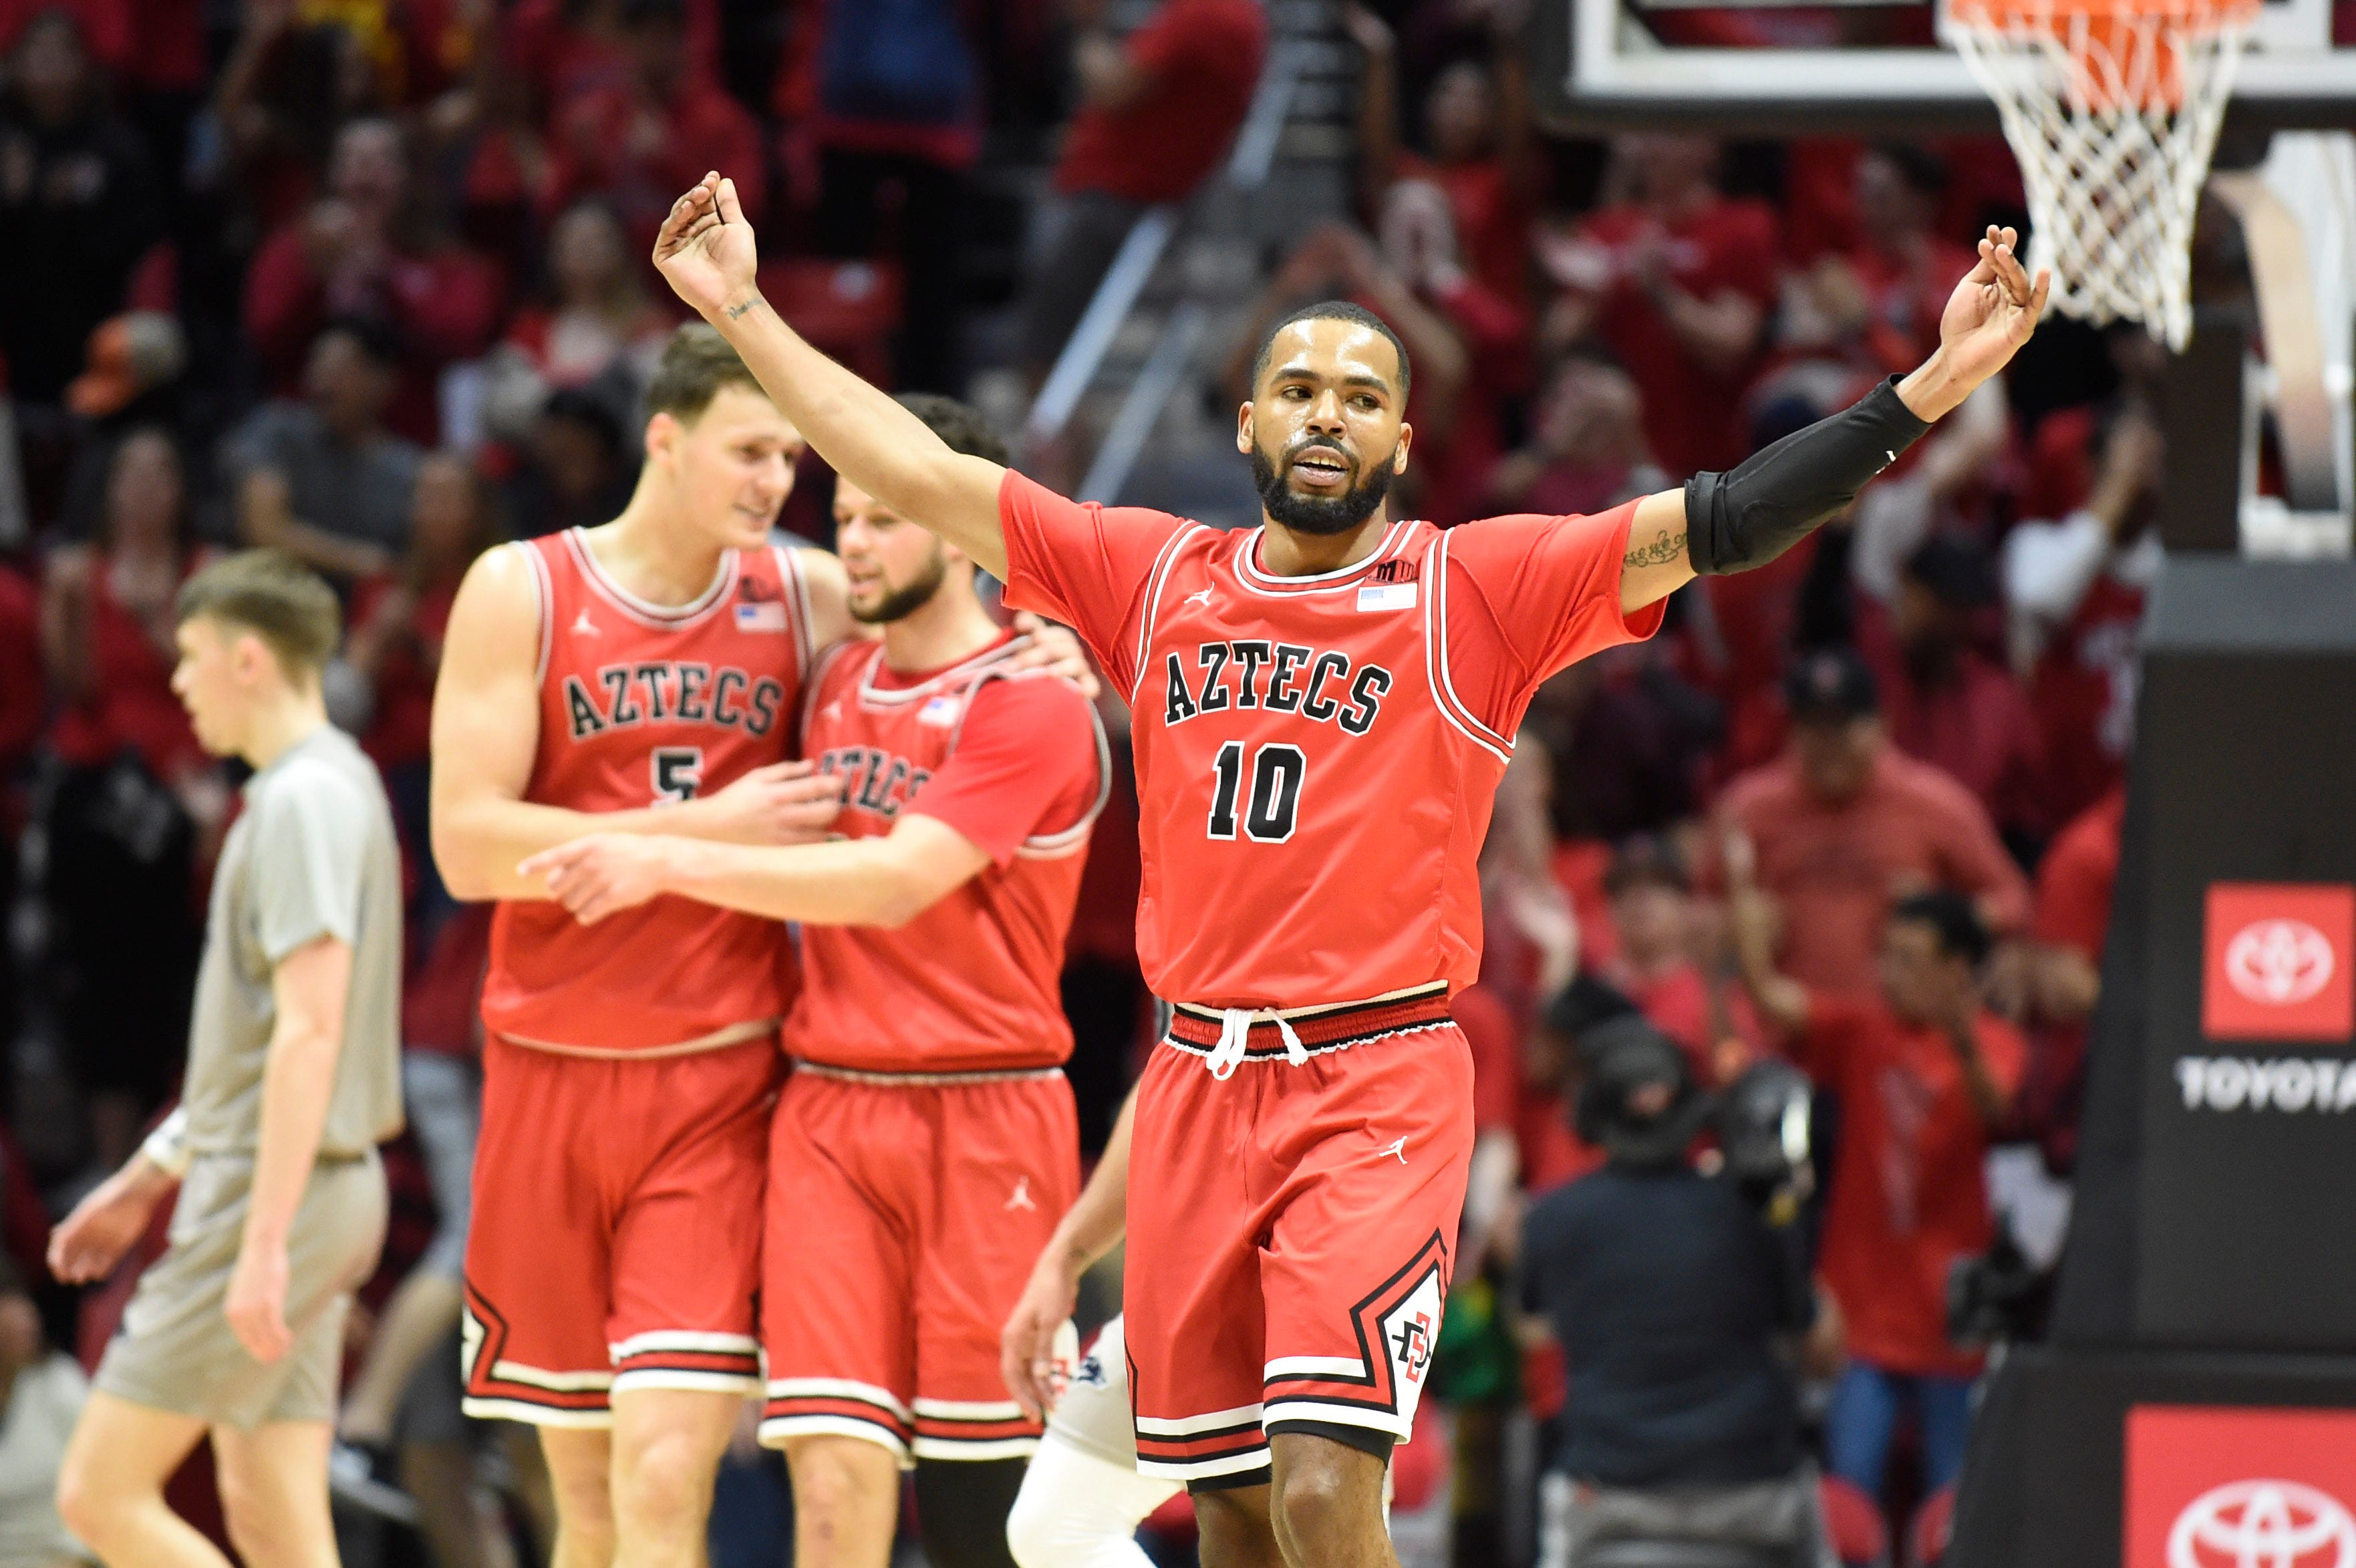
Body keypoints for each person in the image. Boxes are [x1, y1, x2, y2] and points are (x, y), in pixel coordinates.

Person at [653, 168, 2046, 1568]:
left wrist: (1919, 392)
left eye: (1361, 395)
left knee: (1325, 1493)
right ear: (1249, 419)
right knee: (1239, 1525)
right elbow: (916, 471)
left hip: (1373, 1083)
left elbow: (1725, 517)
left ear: (1399, 436)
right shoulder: (1149, 574)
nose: (1328, 411)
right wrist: (747, 311)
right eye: (1301, 387)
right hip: (1196, 1085)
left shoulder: (1476, 589)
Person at [431, 325, 1087, 1568]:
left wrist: (1070, 645)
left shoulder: (802, 591)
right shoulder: (522, 587)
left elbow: (964, 589)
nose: (777, 485)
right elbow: (467, 850)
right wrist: (692, 827)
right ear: (662, 440)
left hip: (721, 1086)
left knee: (671, 1467)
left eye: (790, 456)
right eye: (749, 451)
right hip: (544, 1073)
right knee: (583, 1495)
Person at [49, 548, 405, 1568]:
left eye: (193, 657)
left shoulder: (298, 801)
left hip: (279, 1188)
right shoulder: (337, 783)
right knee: (273, 1517)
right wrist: (146, 1174)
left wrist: (261, 1238)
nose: (175, 681)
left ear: (250, 659)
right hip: (314, 1182)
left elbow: (307, 1030)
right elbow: (255, 1046)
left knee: (99, 1494)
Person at [1727, 843, 2027, 1505]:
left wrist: (1961, 1033)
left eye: (1908, 959)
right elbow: (1781, 1007)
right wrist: (1750, 944)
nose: (1888, 973)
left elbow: (1996, 1110)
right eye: (1886, 955)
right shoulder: (1865, 1032)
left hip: (1949, 1314)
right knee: (1847, 1499)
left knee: (1951, 1504)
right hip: (1860, 1309)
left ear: (1957, 969)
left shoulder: (1997, 1044)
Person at [1519, 1019, 1827, 1568]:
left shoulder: (1552, 1220)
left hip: (1606, 1497)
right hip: (1754, 1494)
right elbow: (1821, 1348)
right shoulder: (1753, 1212)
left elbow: (1530, 1328)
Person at [39, 429, 221, 1172]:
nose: (145, 490)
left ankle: (176, 1160)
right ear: (108, 491)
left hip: (185, 796)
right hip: (99, 797)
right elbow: (76, 688)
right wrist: (73, 611)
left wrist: (157, 623)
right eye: (131, 476)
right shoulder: (79, 575)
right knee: (102, 981)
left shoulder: (206, 574)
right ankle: (113, 1162)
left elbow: (214, 681)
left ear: (181, 492)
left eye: (161, 475)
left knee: (176, 978)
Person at [1709, 645, 2029, 997]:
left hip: (1902, 1027)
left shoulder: (1934, 802)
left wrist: (1940, 912)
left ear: (1881, 726)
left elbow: (2014, 899)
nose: (1828, 746)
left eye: (1842, 728)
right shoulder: (1749, 807)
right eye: (1813, 728)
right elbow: (1697, 909)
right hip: (1781, 1025)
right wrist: (1736, 922)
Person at [1000, 1085, 1183, 1568]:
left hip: (1322, 1236)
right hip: (1194, 1263)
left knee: (1302, 1522)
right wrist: (1064, 1257)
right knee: (1053, 1529)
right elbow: (1168, 1074)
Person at [226, 317, 426, 585]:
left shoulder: (410, 471)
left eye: (342, 368)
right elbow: (263, 529)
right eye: (318, 363)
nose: (324, 378)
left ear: (383, 382)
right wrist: (363, 561)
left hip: (366, 615)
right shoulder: (278, 432)